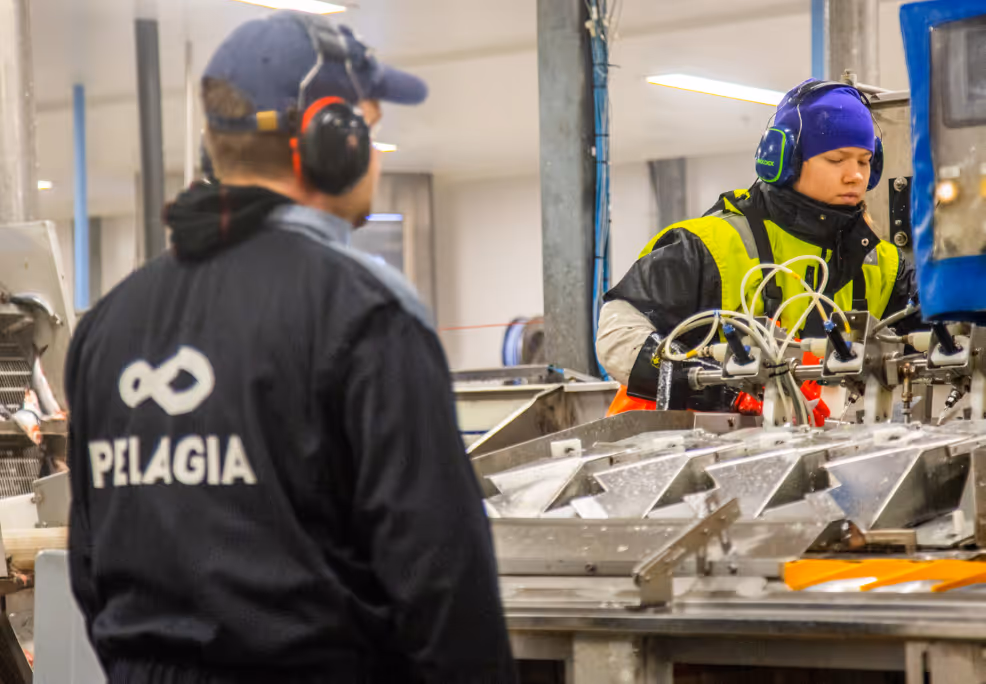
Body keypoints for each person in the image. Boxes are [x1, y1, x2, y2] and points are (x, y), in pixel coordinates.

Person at [66, 11, 518, 684]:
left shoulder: (105, 327)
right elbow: (444, 584)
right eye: (369, 125)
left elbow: (91, 571)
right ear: (331, 136)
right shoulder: (367, 311)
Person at [597, 79, 918, 410]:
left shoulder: (881, 264)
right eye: (837, 160)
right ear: (785, 158)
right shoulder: (707, 246)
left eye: (864, 161)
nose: (855, 175)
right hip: (667, 447)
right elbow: (617, 336)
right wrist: (722, 388)